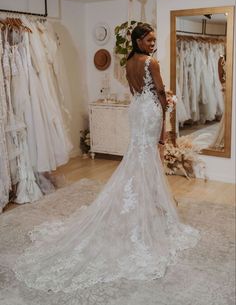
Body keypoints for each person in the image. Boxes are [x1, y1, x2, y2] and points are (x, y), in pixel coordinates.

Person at [13, 23, 200, 293]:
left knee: (138, 155)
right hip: (150, 113)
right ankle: (148, 204)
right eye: (149, 40)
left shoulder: (130, 63)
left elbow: (138, 93)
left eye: (154, 40)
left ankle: (147, 202)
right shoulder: (152, 62)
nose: (152, 43)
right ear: (138, 41)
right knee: (148, 154)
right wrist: (164, 125)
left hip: (137, 111)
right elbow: (159, 94)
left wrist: (161, 101)